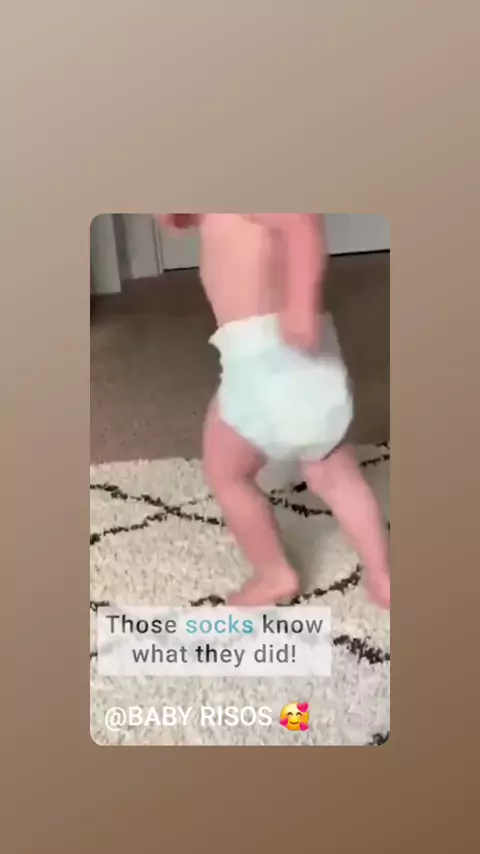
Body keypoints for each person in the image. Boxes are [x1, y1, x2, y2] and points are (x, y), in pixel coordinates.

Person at [156, 214, 390, 608]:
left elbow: (303, 225)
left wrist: (300, 306)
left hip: (265, 362)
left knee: (228, 475)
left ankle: (274, 573)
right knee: (337, 476)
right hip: (307, 370)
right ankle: (383, 576)